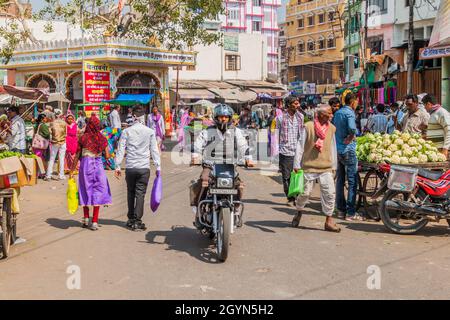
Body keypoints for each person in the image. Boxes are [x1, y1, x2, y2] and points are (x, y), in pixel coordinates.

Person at [189, 104, 253, 227]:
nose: (223, 120)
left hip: (229, 166)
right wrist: (195, 157)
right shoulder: (208, 131)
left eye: (225, 117)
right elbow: (198, 145)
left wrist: (248, 159)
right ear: (216, 118)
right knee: (204, 180)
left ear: (229, 118)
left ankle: (236, 210)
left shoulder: (236, 132)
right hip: (210, 165)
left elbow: (243, 146)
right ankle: (198, 211)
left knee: (239, 185)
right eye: (220, 117)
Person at [292, 105, 340, 232]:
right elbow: (300, 146)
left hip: (326, 167)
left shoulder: (332, 128)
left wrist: (334, 166)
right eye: (329, 113)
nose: (331, 115)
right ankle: (299, 211)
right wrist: (296, 164)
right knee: (305, 193)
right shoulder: (308, 127)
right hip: (309, 166)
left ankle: (329, 221)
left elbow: (333, 148)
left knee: (329, 193)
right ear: (320, 115)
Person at [115, 106, 161, 231]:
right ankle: (137, 220)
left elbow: (120, 149)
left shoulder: (126, 131)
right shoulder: (150, 132)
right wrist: (158, 166)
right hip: (143, 168)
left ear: (133, 117)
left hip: (130, 167)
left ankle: (130, 218)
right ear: (143, 117)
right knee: (140, 194)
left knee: (130, 192)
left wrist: (117, 166)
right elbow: (154, 150)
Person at [70, 115, 112, 231]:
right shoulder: (102, 138)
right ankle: (95, 222)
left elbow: (77, 155)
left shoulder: (83, 138)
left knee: (85, 190)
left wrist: (72, 170)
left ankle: (86, 219)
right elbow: (107, 156)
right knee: (98, 191)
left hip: (86, 167)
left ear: (88, 125)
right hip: (98, 167)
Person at [333, 93, 362, 221]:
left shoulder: (338, 113)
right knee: (352, 181)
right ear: (353, 102)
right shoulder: (349, 113)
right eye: (356, 101)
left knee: (340, 180)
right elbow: (352, 128)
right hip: (348, 150)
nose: (357, 104)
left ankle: (340, 210)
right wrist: (350, 137)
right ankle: (351, 212)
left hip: (338, 150)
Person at [276, 96, 304, 206]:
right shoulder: (280, 118)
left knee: (296, 175)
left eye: (298, 103)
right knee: (286, 176)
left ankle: (296, 196)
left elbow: (302, 133)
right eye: (295, 103)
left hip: (297, 151)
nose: (298, 105)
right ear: (289, 105)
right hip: (285, 151)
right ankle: (290, 197)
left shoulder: (301, 117)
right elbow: (275, 134)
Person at [422, 94, 450, 159]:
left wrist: (445, 149)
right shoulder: (433, 113)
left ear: (429, 104)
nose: (424, 108)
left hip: (442, 150)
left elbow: (449, 131)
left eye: (424, 105)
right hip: (435, 150)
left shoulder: (441, 112)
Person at [44, 109, 67, 181]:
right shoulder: (64, 123)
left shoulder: (52, 123)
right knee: (61, 159)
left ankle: (48, 175)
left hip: (54, 142)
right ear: (60, 115)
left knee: (52, 159)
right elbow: (66, 133)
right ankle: (61, 175)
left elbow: (50, 133)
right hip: (63, 142)